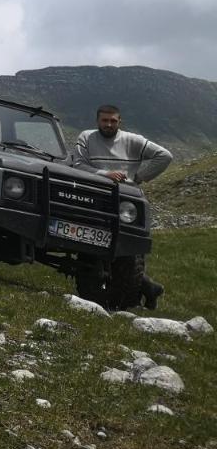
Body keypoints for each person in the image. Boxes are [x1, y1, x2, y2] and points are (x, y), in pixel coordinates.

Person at [72, 104, 172, 309]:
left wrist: (140, 177)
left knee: (127, 249)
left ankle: (133, 297)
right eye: (104, 120)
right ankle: (147, 289)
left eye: (113, 121)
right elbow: (78, 164)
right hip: (93, 198)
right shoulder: (86, 137)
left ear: (120, 121)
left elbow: (165, 156)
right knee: (98, 244)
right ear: (97, 121)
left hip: (125, 202)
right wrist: (105, 174)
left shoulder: (132, 140)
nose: (108, 124)